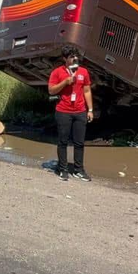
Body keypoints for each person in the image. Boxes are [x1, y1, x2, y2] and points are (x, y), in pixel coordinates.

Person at [48, 46, 94, 181]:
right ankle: (63, 169)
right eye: (71, 56)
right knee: (63, 142)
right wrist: (65, 82)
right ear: (64, 59)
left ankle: (79, 170)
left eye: (76, 56)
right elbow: (51, 90)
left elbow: (87, 91)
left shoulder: (83, 72)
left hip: (80, 111)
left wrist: (90, 109)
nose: (74, 58)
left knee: (79, 142)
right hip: (63, 111)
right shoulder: (57, 72)